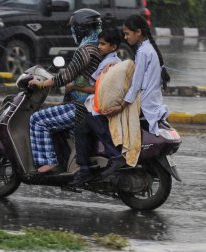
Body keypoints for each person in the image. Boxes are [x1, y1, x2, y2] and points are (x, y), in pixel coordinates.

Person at [72, 14, 171, 184]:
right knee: (92, 116)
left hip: (141, 102)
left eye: (127, 34)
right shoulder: (147, 49)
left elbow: (136, 85)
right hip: (149, 101)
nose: (126, 37)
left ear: (138, 32)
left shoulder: (143, 52)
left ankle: (110, 156)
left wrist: (120, 106)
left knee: (92, 117)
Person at [28, 8, 102, 173]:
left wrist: (41, 84)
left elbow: (66, 77)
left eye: (74, 27)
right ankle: (63, 162)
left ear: (81, 29)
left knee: (37, 120)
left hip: (80, 107)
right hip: (90, 105)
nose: (72, 31)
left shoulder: (85, 51)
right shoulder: (97, 48)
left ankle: (47, 163)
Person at [70, 27, 123, 185]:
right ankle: (88, 167)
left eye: (103, 44)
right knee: (85, 130)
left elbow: (96, 88)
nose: (99, 47)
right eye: (99, 43)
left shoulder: (109, 63)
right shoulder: (114, 61)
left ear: (113, 47)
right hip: (104, 104)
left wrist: (74, 86)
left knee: (85, 130)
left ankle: (90, 166)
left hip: (100, 107)